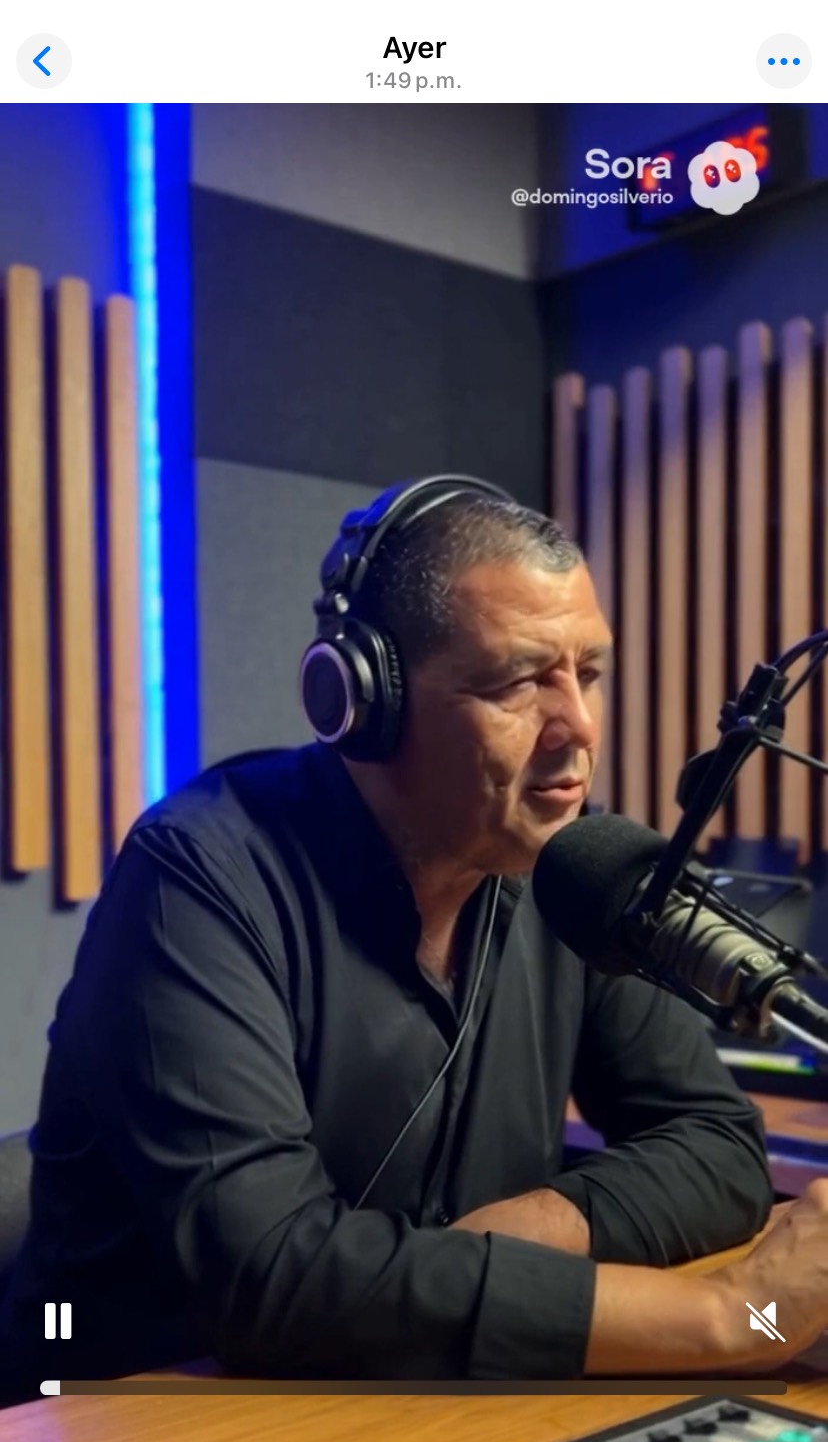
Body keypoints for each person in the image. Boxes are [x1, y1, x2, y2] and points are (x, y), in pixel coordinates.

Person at [4, 473, 828, 1391]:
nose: (578, 727)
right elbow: (274, 1276)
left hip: (417, 1398)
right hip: (138, 1422)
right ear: (364, 702)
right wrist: (732, 1318)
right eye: (518, 682)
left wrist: (517, 1237)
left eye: (588, 674)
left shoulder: (572, 872)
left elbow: (715, 1142)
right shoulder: (197, 877)